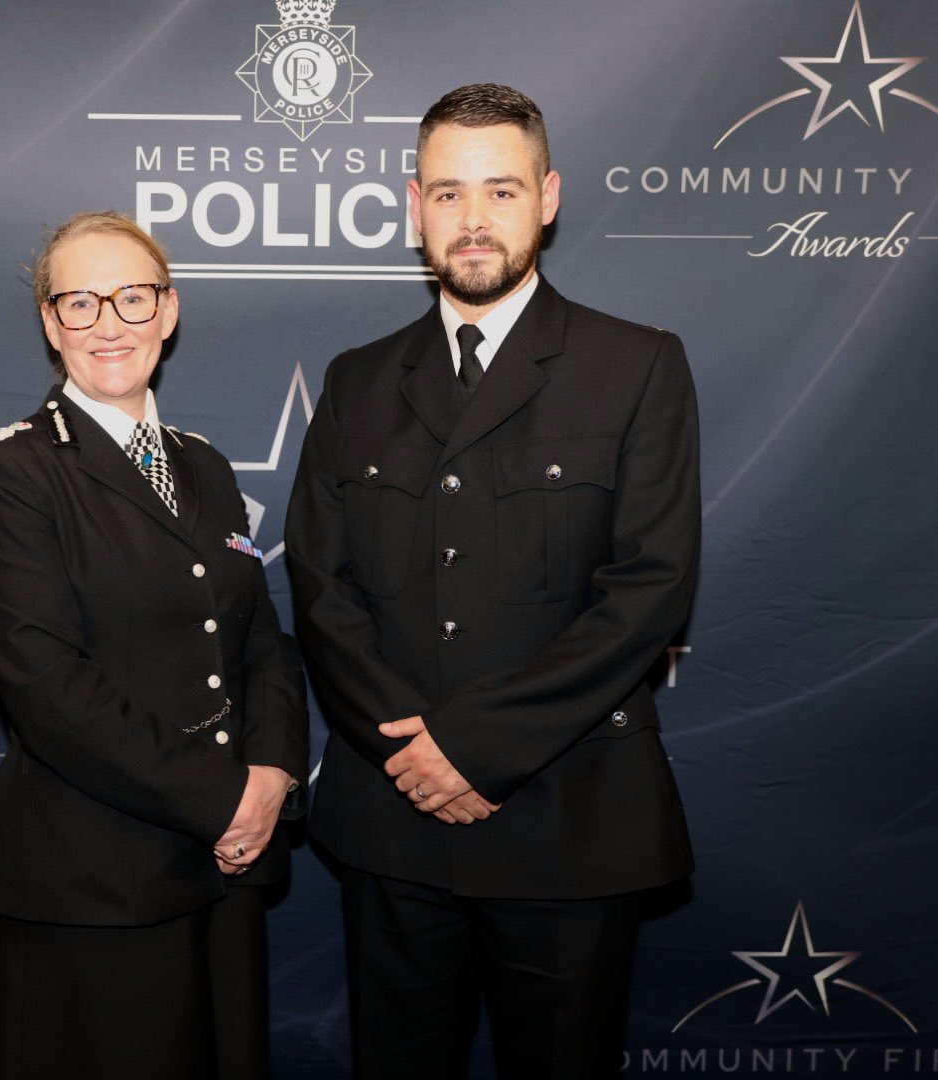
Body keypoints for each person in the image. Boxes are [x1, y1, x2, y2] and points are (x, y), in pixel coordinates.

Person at [285, 84, 699, 1079]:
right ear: (413, 203)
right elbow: (321, 583)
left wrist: (470, 750)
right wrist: (415, 756)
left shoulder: (636, 367)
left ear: (547, 199)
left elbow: (650, 589)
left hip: (570, 820)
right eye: (448, 193)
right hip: (396, 825)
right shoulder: (357, 380)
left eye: (501, 191)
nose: (473, 222)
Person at [0, 210, 308, 1080]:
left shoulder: (206, 465)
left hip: (226, 872)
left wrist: (272, 778)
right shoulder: (13, 469)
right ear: (50, 322)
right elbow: (44, 682)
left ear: (169, 310)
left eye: (132, 297)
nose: (108, 323)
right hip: (94, 877)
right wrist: (225, 798)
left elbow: (261, 638)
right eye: (80, 302)